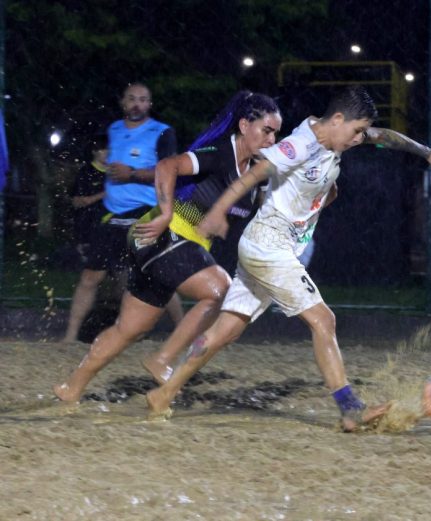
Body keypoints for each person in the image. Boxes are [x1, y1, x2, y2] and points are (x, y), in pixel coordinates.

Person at [146, 85, 431, 431]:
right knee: (323, 321)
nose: (359, 139)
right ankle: (350, 408)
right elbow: (253, 175)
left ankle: (164, 394)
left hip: (268, 246)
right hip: (269, 246)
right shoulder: (299, 144)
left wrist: (427, 153)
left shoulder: (338, 135)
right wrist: (217, 213)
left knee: (226, 330)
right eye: (356, 131)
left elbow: (382, 135)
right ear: (338, 119)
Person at [54, 91, 283, 402]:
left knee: (130, 329)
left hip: (172, 247)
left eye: (276, 133)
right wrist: (165, 213)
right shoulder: (218, 153)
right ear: (244, 125)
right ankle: (162, 359)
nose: (272, 139)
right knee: (218, 289)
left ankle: (70, 388)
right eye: (266, 131)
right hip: (161, 234)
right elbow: (166, 166)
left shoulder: (254, 175)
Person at [62, 83, 183, 343]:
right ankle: (70, 338)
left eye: (143, 99)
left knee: (157, 274)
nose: (137, 104)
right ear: (123, 103)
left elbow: (169, 170)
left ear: (150, 104)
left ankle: (185, 332)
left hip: (145, 213)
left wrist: (133, 174)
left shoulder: (162, 132)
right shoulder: (114, 130)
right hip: (113, 214)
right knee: (90, 276)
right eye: (132, 99)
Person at [69, 133, 107, 267]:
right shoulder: (85, 173)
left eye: (110, 149)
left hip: (110, 224)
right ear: (94, 151)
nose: (108, 153)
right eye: (103, 149)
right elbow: (77, 202)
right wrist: (103, 194)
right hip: (88, 224)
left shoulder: (114, 173)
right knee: (90, 267)